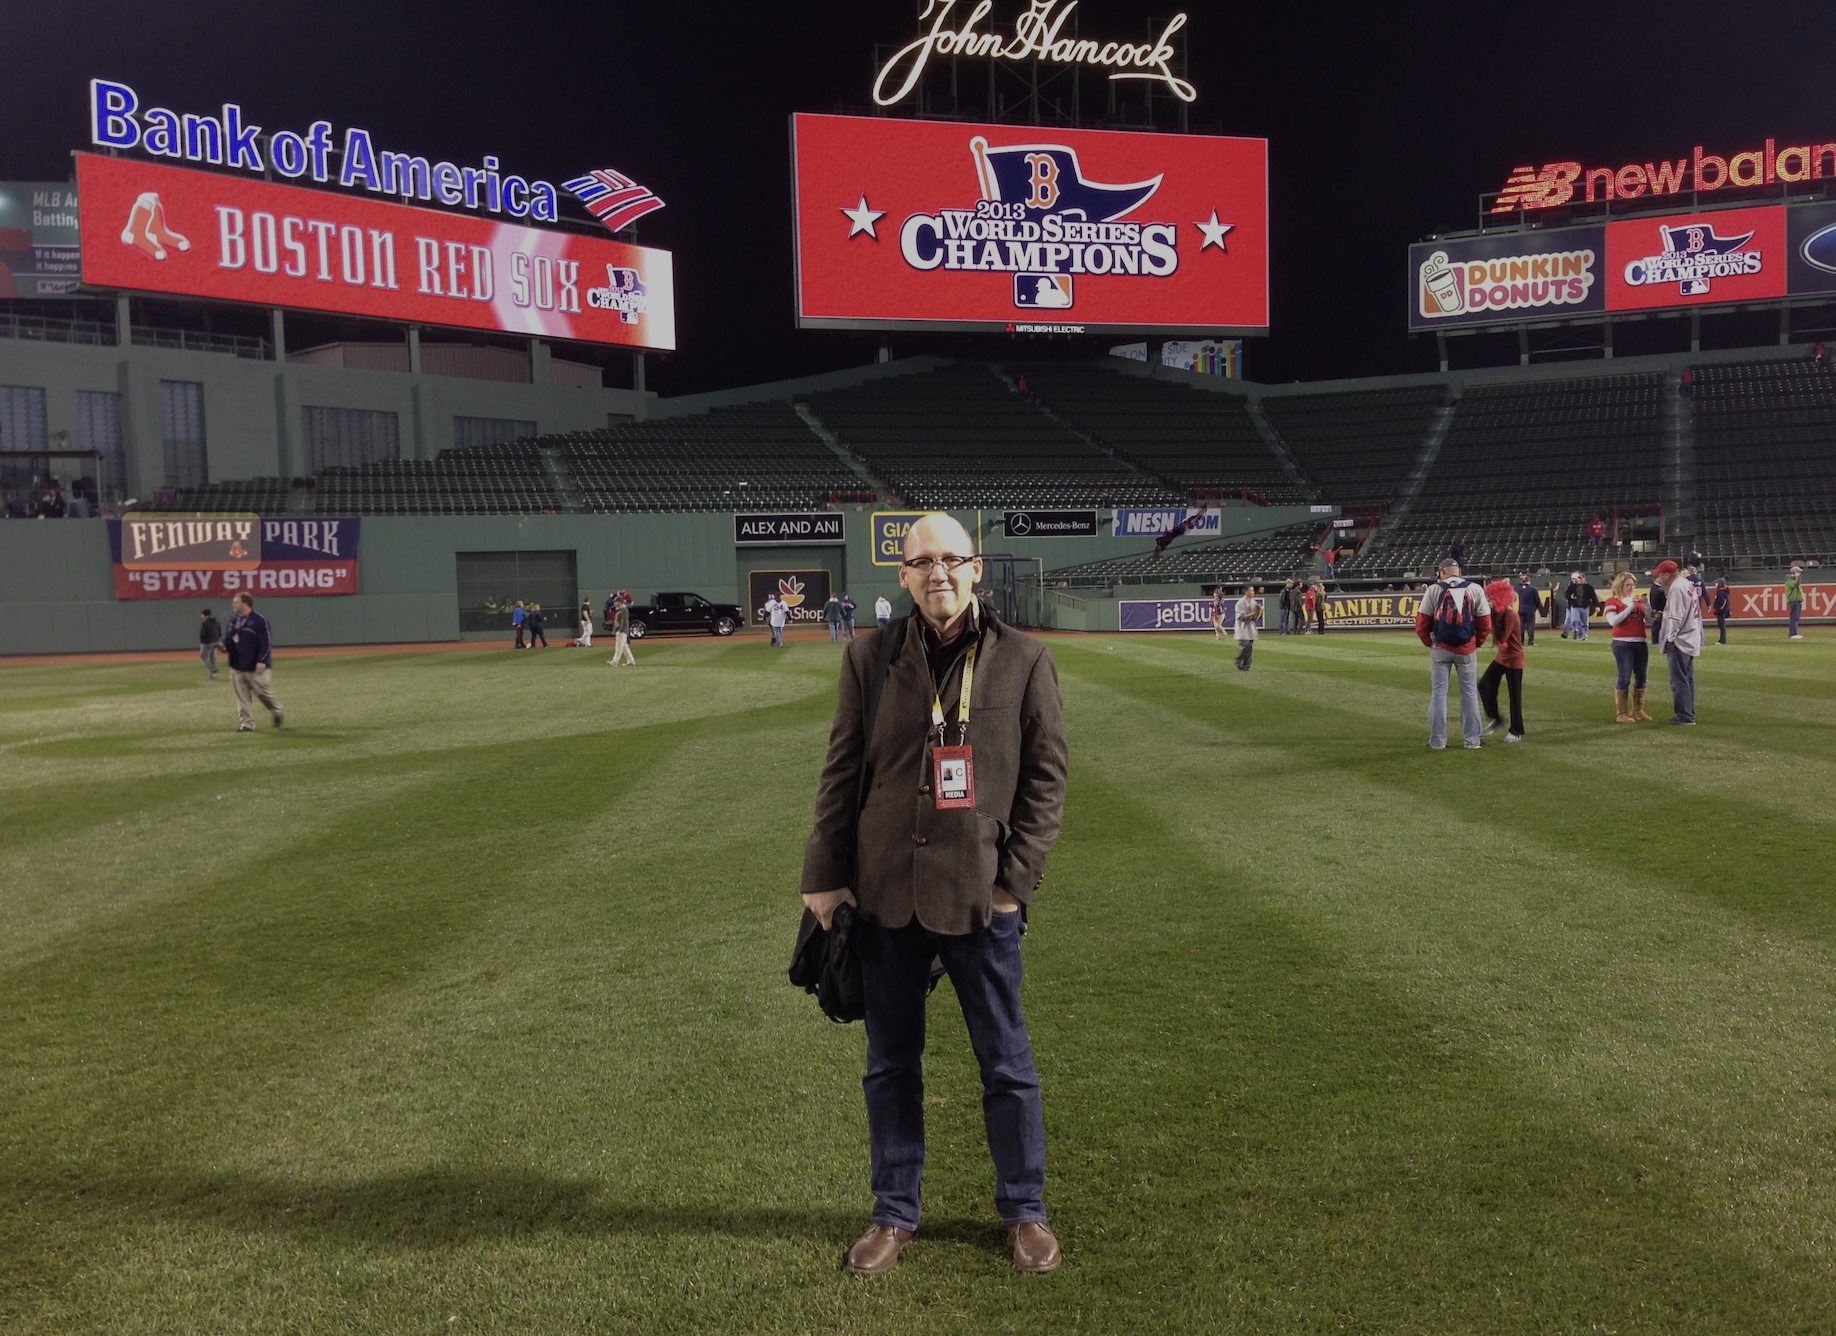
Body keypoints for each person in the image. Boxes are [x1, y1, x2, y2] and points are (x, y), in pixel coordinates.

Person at [800, 513, 1068, 1276]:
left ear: (976, 568)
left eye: (952, 560)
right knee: (890, 1064)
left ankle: (1024, 1211)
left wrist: (1016, 883)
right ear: (903, 574)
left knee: (1006, 1063)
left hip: (981, 898)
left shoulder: (1024, 660)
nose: (938, 574)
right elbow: (842, 768)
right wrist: (825, 872)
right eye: (923, 563)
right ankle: (894, 1212)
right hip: (886, 896)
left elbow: (1047, 783)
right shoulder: (869, 657)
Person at [1414, 556, 1493, 750]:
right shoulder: (1474, 588)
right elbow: (1485, 622)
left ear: (1441, 572)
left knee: (1439, 693)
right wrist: (1477, 642)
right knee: (1469, 694)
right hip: (1467, 648)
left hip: (1440, 648)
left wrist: (1430, 643)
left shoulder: (1434, 589)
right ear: (1459, 571)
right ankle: (1472, 741)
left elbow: (1422, 622)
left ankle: (1438, 741)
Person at [221, 592, 283, 732]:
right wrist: (223, 647)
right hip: (237, 665)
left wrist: (262, 660)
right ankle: (247, 724)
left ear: (246, 603)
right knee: (242, 697)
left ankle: (276, 711)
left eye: (236, 602)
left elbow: (266, 643)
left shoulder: (259, 620)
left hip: (256, 666)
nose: (233, 604)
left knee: (263, 693)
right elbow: (228, 642)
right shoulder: (232, 621)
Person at [1652, 560, 1702, 725]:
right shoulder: (1687, 584)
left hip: (1680, 639)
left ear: (1667, 574)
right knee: (1687, 678)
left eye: (1660, 574)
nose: (1658, 578)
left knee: (1679, 679)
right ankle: (1688, 713)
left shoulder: (1676, 587)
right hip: (1690, 636)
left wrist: (1670, 638)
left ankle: (1685, 716)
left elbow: (1675, 617)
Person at [1477, 579, 1525, 742]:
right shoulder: (1498, 613)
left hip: (1514, 658)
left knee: (1515, 696)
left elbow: (1501, 637)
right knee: (1484, 684)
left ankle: (1516, 730)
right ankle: (1495, 718)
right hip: (1503, 656)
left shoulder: (1510, 614)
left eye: (1490, 599)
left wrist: (1488, 617)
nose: (1488, 601)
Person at [1602, 572, 1652, 722]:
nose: (1631, 588)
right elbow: (1613, 621)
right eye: (1628, 585)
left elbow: (1650, 620)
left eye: (1633, 585)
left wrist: (1646, 605)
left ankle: (1637, 710)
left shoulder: (1637, 601)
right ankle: (1621, 713)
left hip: (1640, 641)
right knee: (1624, 677)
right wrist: (1630, 607)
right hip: (1623, 642)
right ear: (1620, 585)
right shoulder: (1612, 601)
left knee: (1642, 677)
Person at [1233, 585, 1261, 670]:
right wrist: (1251, 614)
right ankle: (1238, 659)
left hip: (1251, 626)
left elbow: (1256, 617)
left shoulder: (1254, 602)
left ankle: (1246, 666)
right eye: (1251, 591)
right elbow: (1240, 617)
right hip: (1242, 627)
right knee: (1246, 645)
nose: (1253, 592)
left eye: (1253, 591)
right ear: (1246, 592)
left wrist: (1259, 612)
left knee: (1250, 647)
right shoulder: (1240, 602)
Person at [1563, 571, 1598, 640]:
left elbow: (1593, 597)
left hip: (1585, 607)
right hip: (1575, 606)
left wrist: (1596, 605)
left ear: (1584, 579)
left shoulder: (1589, 587)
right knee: (1574, 620)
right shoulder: (1572, 586)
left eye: (1581, 578)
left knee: (1584, 622)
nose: (1580, 579)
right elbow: (1566, 594)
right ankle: (1575, 630)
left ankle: (1584, 636)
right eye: (1579, 578)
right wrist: (1570, 597)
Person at [607, 592, 635, 666]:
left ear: (620, 602)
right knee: (625, 646)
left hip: (622, 630)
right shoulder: (620, 609)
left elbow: (624, 621)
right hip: (621, 630)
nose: (614, 603)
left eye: (616, 601)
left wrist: (619, 630)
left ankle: (615, 662)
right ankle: (631, 661)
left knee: (619, 647)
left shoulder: (624, 610)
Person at [1515, 574, 1541, 646]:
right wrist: (1536, 607)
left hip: (1521, 609)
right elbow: (1537, 600)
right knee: (1530, 626)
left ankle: (1521, 641)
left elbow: (1517, 587)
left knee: (1521, 626)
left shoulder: (1518, 588)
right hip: (1530, 609)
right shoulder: (1533, 589)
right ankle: (1530, 641)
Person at [198, 607, 221, 680]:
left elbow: (202, 633)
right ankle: (213, 676)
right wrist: (216, 639)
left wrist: (202, 640)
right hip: (215, 641)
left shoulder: (205, 622)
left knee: (204, 657)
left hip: (207, 642)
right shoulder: (216, 621)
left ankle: (214, 669)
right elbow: (220, 632)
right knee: (212, 658)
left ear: (204, 615)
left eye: (202, 614)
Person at [1786, 564, 1806, 639]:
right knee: (1794, 617)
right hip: (1794, 600)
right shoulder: (1789, 580)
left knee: (1795, 617)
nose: (1800, 573)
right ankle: (1793, 633)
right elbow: (1796, 585)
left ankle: (1794, 633)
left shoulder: (1794, 580)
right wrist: (1797, 577)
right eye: (1798, 572)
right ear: (1794, 572)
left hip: (1797, 600)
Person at [1711, 579, 1731, 644]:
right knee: (1722, 625)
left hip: (1722, 611)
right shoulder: (1722, 591)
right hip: (1724, 610)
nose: (1715, 584)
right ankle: (1722, 640)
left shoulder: (1720, 592)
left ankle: (1722, 640)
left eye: (1716, 583)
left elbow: (1722, 602)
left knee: (1722, 625)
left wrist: (1717, 609)